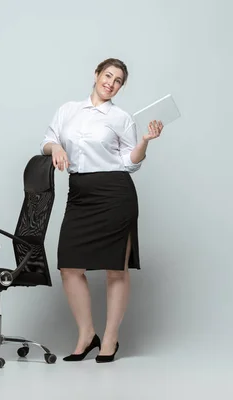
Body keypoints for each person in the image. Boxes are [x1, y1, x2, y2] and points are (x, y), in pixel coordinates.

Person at [39, 58, 163, 363]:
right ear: (96, 75)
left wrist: (145, 140)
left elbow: (130, 162)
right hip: (79, 194)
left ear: (121, 86)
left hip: (114, 194)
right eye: (108, 75)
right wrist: (55, 148)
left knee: (115, 270)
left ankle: (110, 338)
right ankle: (86, 334)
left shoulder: (121, 118)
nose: (111, 82)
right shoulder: (68, 110)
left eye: (118, 80)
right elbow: (48, 140)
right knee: (69, 267)